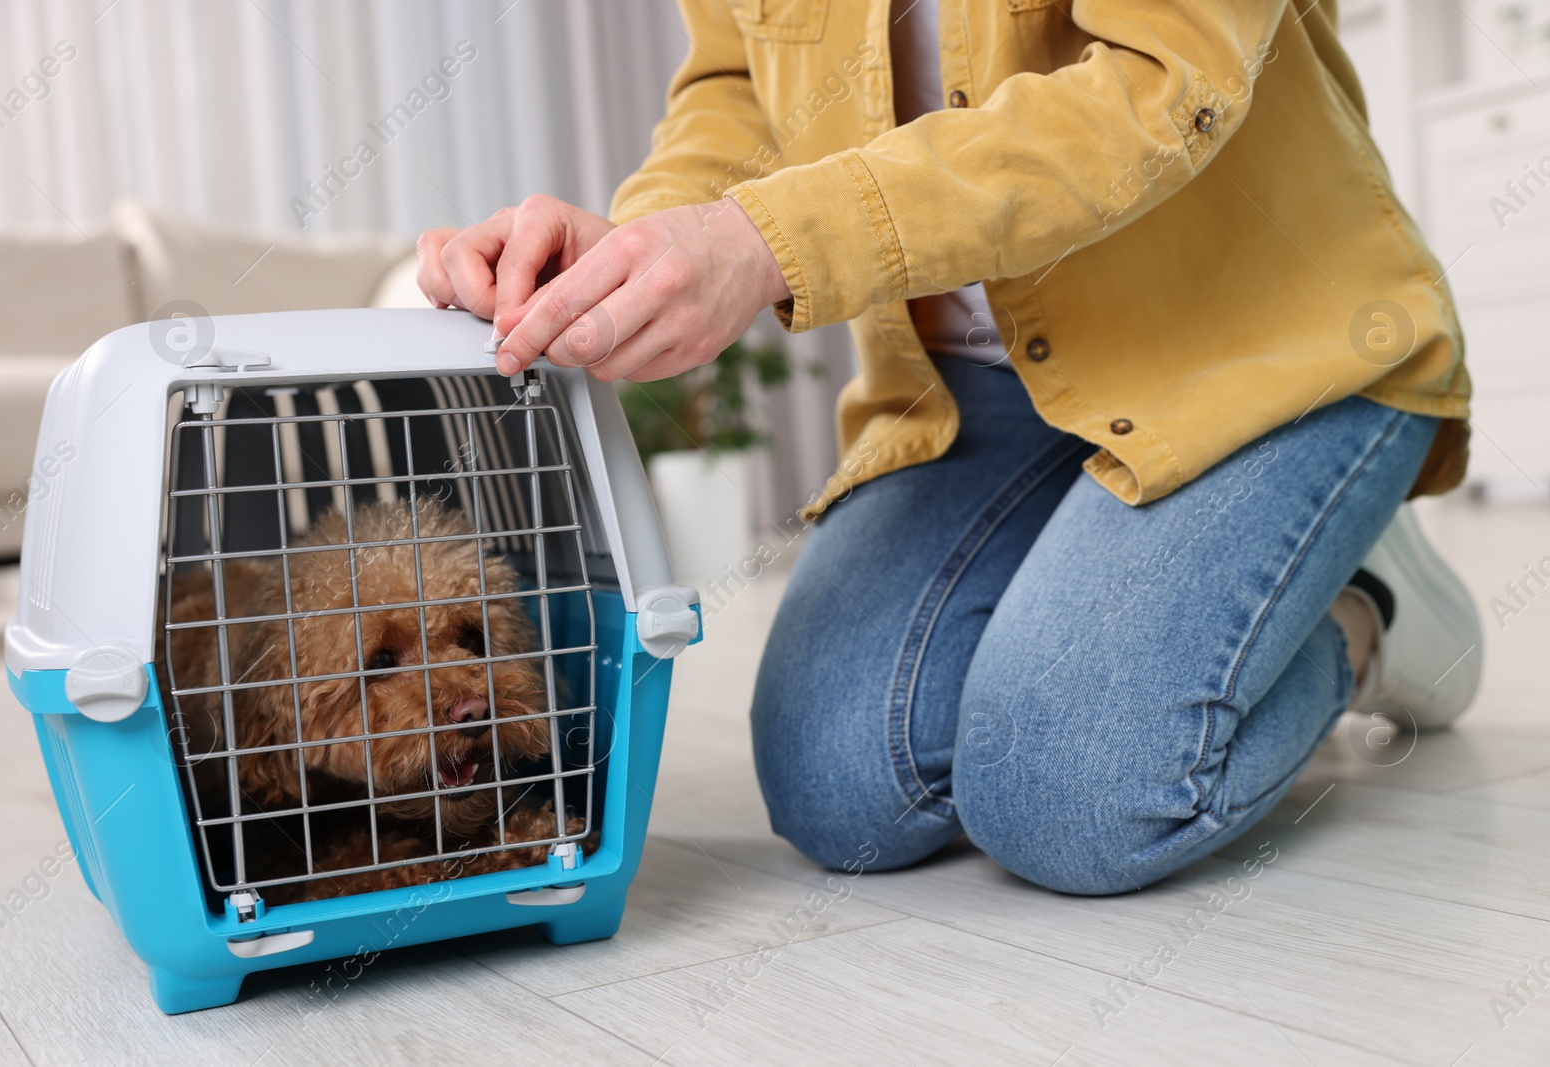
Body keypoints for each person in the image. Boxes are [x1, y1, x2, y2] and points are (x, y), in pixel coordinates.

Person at [415, 0, 1481, 894]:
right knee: (839, 789)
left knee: (1072, 796)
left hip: (1257, 344)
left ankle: (1367, 602)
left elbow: (1164, 78)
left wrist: (769, 242)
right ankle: (1128, 577)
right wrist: (642, 241)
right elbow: (735, 83)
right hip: (973, 385)